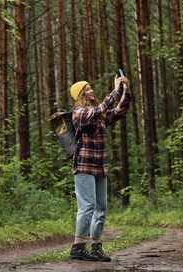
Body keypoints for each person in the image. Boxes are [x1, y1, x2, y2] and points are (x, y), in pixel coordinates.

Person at [68, 75, 131, 261]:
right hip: (84, 165)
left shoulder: (99, 115)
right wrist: (116, 89)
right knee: (87, 206)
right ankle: (78, 248)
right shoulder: (78, 113)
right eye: (87, 89)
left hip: (99, 166)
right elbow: (101, 108)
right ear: (80, 95)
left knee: (101, 208)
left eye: (91, 87)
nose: (92, 91)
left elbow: (118, 111)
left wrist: (125, 91)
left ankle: (96, 246)